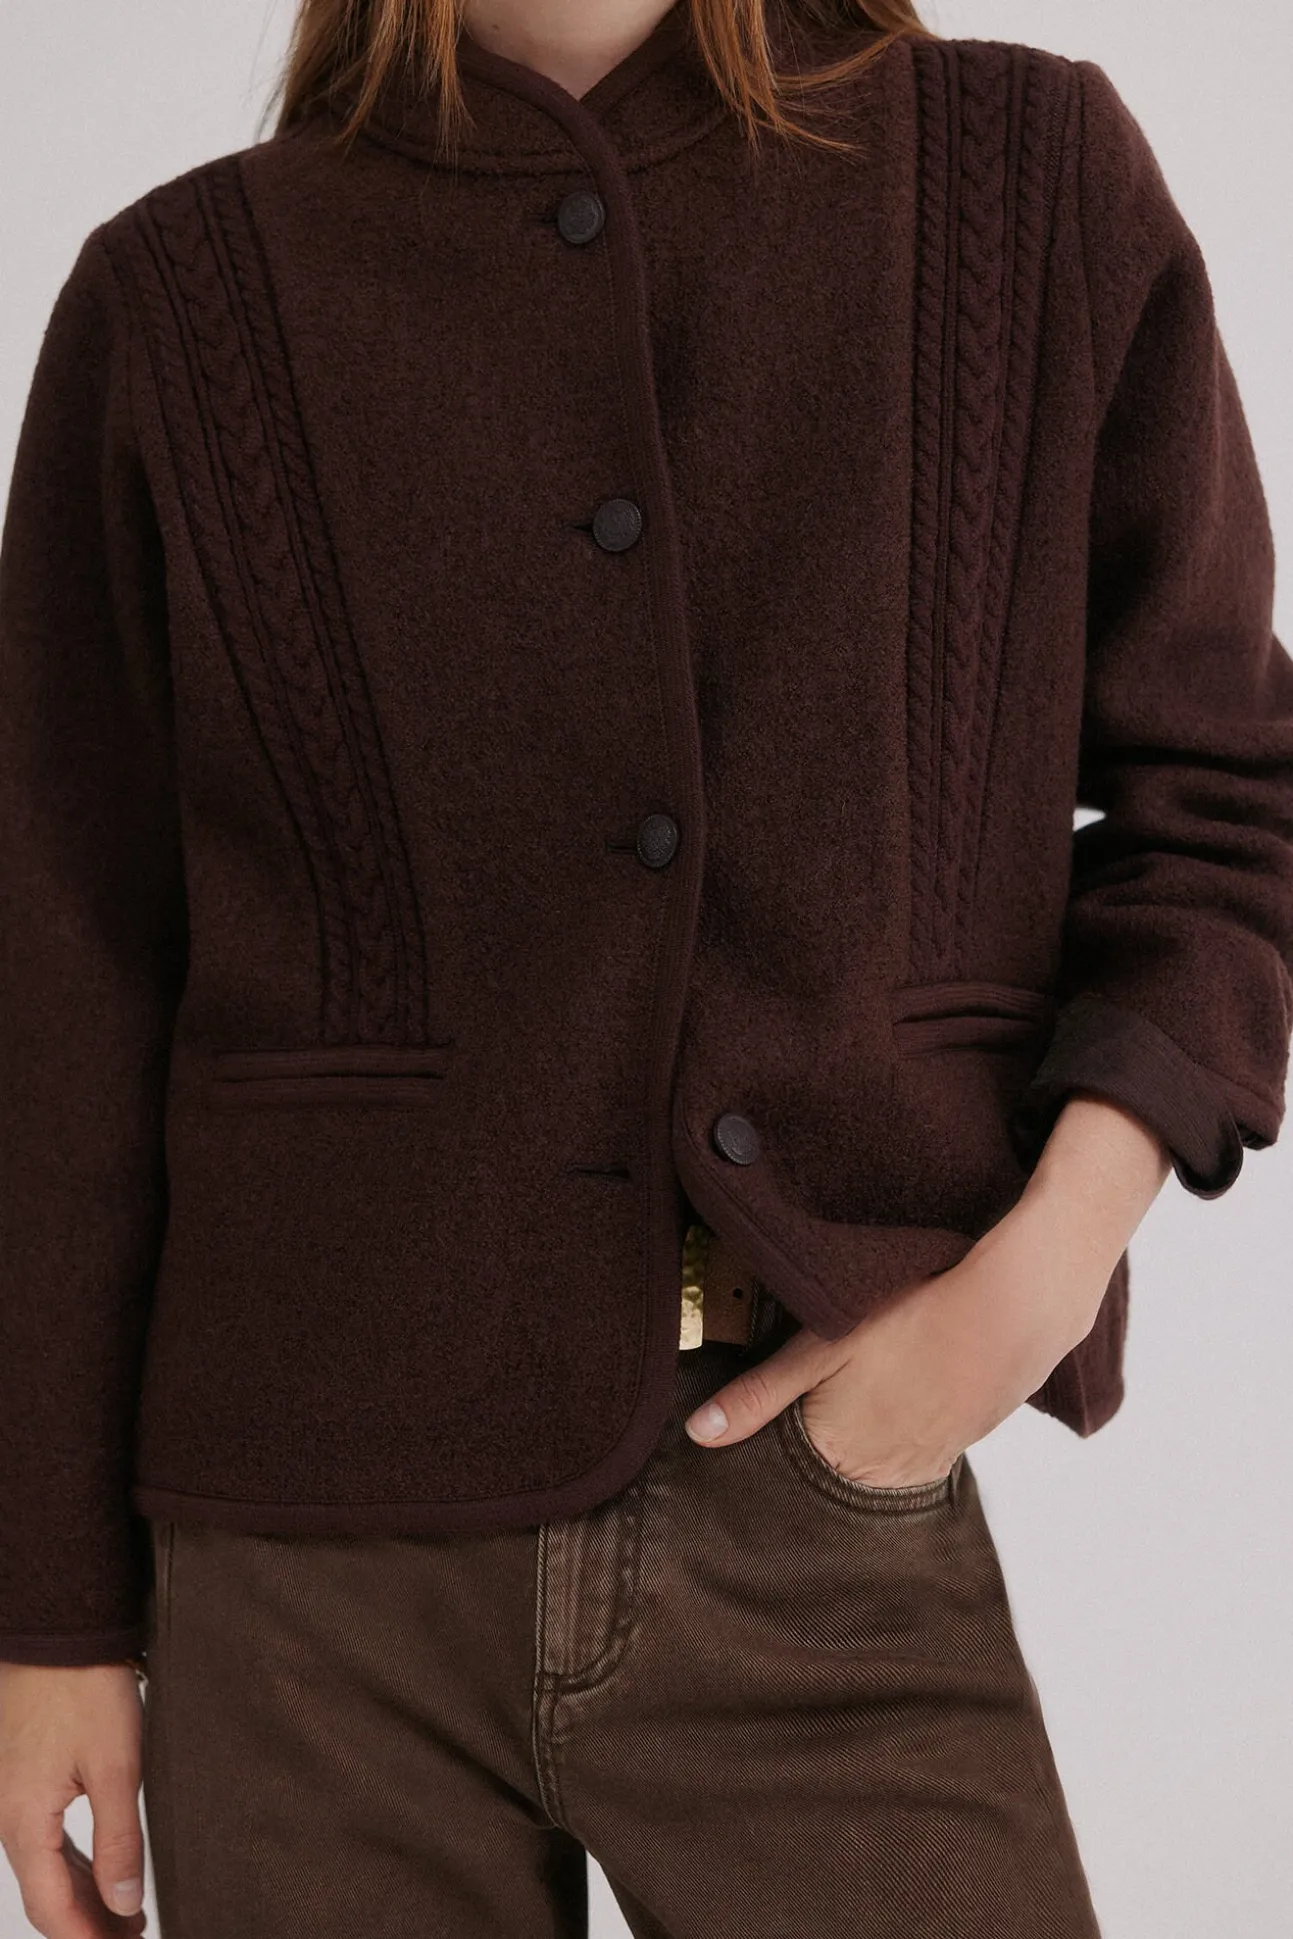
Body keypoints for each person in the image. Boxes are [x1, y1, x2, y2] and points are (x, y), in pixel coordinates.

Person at [1, 0, 1290, 1932]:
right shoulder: (183, 293)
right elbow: (66, 985)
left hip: (827, 1505)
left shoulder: (1022, 179)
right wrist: (51, 1613)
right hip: (303, 1586)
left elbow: (1227, 793)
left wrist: (1037, 1277)